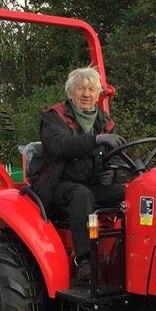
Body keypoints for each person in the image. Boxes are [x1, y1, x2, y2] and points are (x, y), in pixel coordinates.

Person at [29, 66, 126, 285]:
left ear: (98, 93)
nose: (86, 94)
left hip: (90, 183)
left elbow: (115, 155)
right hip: (56, 184)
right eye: (81, 88)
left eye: (92, 89)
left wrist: (112, 173)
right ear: (70, 92)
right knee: (81, 195)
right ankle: (84, 263)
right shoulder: (55, 117)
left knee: (127, 195)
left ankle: (123, 256)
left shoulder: (105, 121)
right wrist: (95, 140)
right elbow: (59, 146)